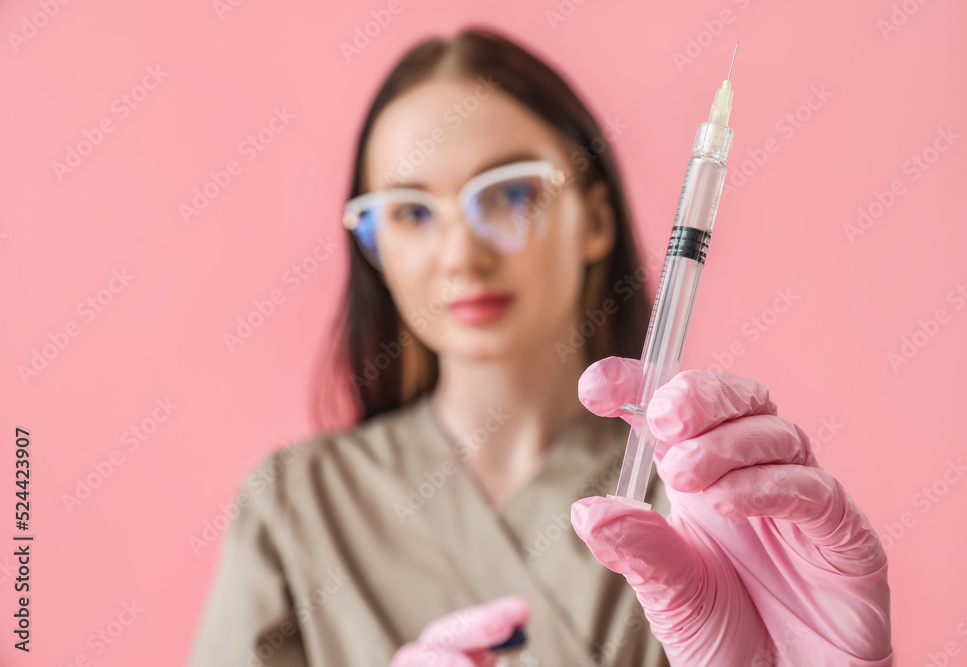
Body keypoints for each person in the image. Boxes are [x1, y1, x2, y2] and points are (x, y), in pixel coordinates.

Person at [188, 27, 893, 667]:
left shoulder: (706, 502)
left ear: (594, 220)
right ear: (372, 246)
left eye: (510, 194)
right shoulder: (297, 505)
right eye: (409, 212)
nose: (461, 254)